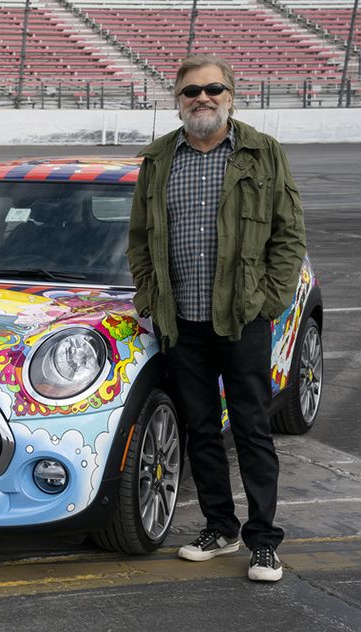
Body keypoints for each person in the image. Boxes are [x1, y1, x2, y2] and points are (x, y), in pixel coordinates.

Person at [127, 54, 306, 582]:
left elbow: (288, 235)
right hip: (181, 324)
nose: (202, 99)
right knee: (201, 429)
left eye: (213, 89)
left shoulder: (262, 152)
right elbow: (139, 239)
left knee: (251, 428)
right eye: (190, 92)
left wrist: (267, 302)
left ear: (231, 95)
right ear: (176, 100)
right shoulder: (159, 159)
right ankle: (219, 527)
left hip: (243, 320)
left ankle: (263, 541)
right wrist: (148, 298)